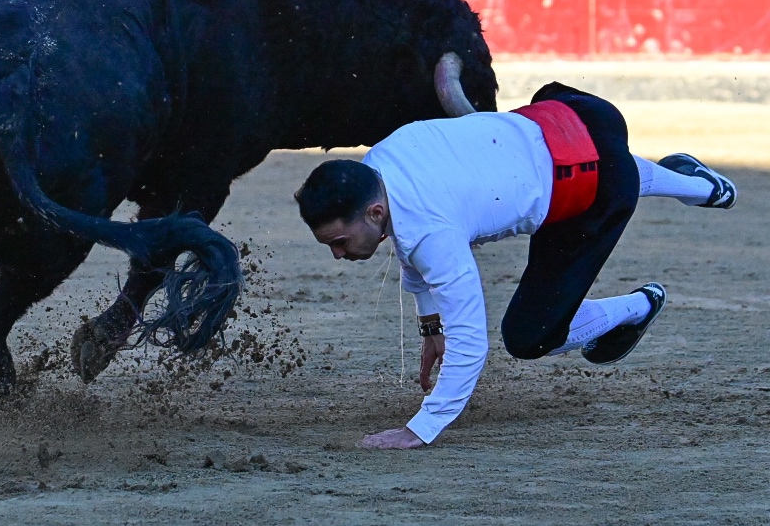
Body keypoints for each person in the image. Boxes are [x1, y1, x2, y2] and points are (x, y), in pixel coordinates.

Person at [294, 82, 737, 450]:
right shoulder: (381, 163)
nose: (338, 254)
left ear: (373, 214)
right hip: (573, 112)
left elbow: (470, 342)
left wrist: (419, 429)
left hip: (590, 195)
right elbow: (410, 241)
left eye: (339, 242)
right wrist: (431, 326)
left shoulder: (430, 233)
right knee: (593, 160)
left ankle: (640, 306)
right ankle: (702, 187)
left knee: (528, 337)